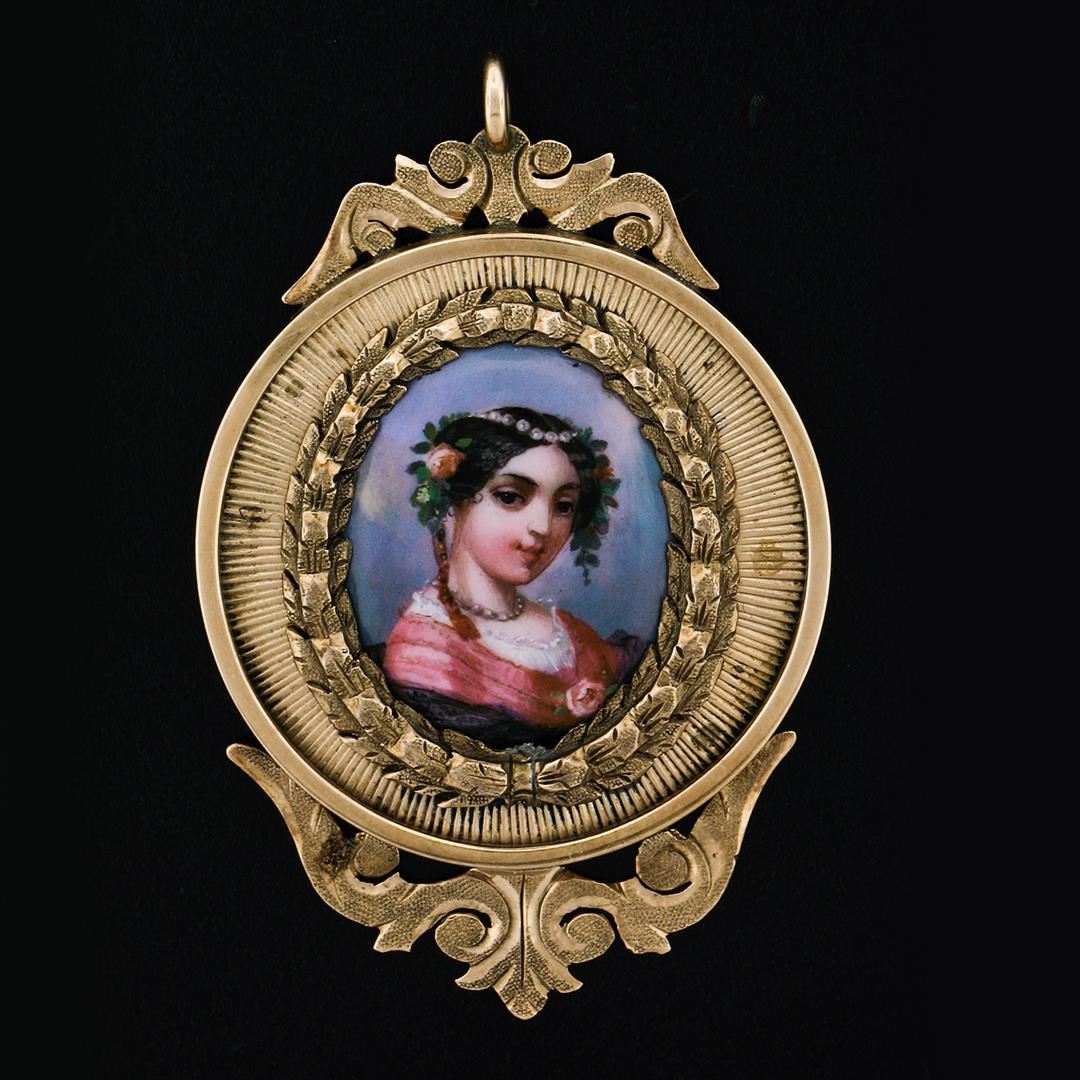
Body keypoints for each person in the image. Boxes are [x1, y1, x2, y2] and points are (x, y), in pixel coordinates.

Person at [381, 406, 644, 749]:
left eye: (563, 506)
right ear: (453, 504)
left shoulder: (571, 632)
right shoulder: (424, 654)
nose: (543, 526)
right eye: (510, 497)